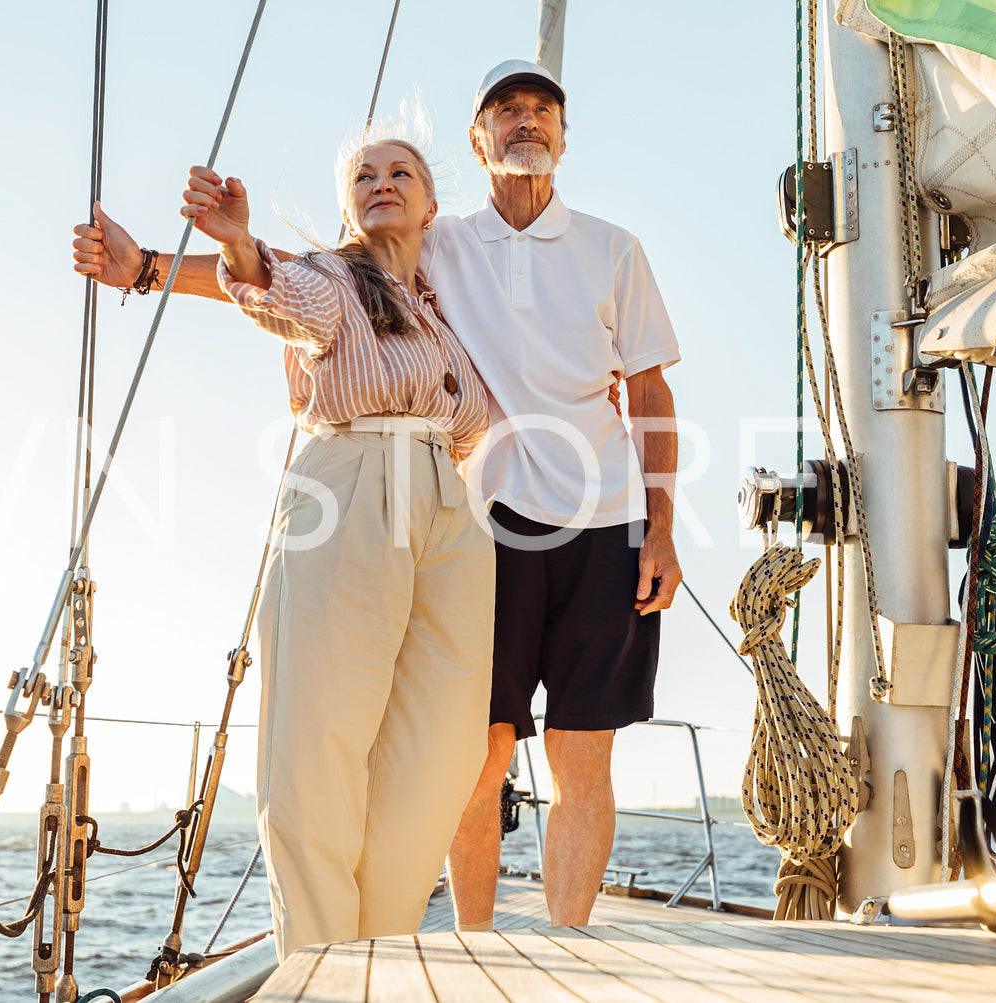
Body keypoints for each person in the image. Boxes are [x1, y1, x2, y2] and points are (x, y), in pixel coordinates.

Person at [72, 59, 681, 933]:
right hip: (483, 516)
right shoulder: (436, 241)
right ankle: (474, 945)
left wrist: (660, 527)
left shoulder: (608, 249)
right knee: (473, 755)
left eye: (541, 111)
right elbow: (286, 281)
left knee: (577, 754)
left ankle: (564, 947)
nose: (524, 122)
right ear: (478, 143)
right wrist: (149, 270)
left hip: (595, 520)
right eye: (504, 111)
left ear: (561, 133)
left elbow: (651, 393)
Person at [171, 134, 497, 959]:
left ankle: (376, 951)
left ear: (431, 204)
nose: (382, 183)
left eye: (401, 173)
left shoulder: (444, 304)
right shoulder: (332, 279)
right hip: (351, 479)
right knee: (317, 743)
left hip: (446, 505)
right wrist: (241, 245)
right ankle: (319, 965)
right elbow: (280, 294)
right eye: (364, 175)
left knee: (441, 756)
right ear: (346, 205)